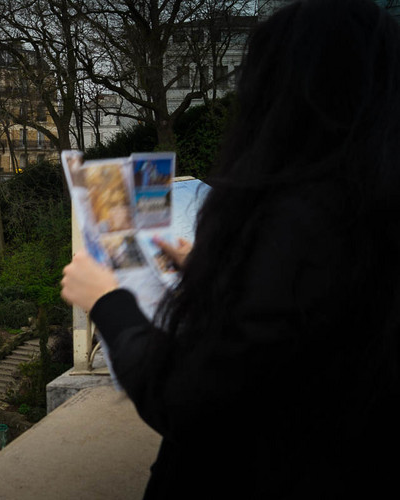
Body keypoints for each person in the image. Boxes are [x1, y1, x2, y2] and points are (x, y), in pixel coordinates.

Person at [57, 1, 400, 497]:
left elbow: (190, 399)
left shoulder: (298, 220)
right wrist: (217, 271)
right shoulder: (367, 207)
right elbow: (299, 336)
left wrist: (107, 302)